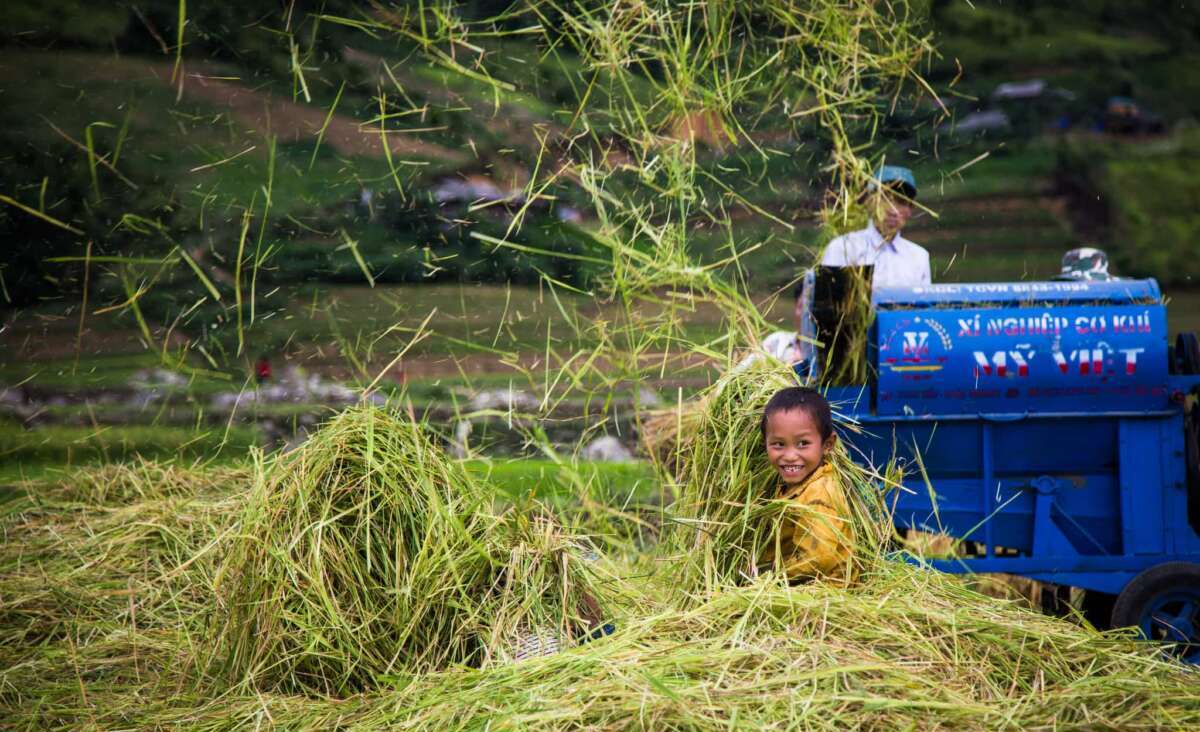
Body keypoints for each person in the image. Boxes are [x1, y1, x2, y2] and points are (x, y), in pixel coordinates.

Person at [757, 387, 855, 583]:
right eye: (778, 444)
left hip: (824, 592)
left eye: (803, 443)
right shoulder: (791, 486)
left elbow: (818, 559)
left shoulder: (820, 494)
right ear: (765, 443)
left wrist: (769, 576)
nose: (790, 456)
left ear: (827, 445)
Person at [821, 165, 930, 289]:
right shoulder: (844, 248)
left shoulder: (919, 258)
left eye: (901, 202)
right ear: (869, 202)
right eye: (884, 199)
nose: (893, 211)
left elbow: (924, 301)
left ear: (910, 210)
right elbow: (827, 298)